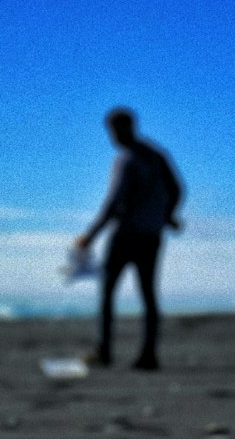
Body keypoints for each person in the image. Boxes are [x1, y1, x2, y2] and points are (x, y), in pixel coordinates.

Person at [75, 108, 183, 370]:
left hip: (126, 234)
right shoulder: (157, 155)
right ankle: (148, 354)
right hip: (152, 235)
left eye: (113, 131)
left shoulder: (128, 159)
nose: (112, 137)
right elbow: (177, 189)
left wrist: (91, 234)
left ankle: (105, 351)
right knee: (148, 294)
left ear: (123, 128)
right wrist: (166, 216)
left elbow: (114, 202)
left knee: (109, 291)